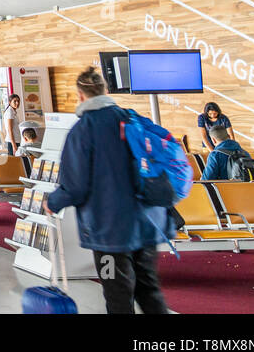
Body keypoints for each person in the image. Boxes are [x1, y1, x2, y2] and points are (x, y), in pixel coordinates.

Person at [44, 66, 169, 315]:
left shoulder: (82, 131)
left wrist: (53, 202)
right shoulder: (131, 118)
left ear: (81, 95)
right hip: (147, 223)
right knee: (149, 291)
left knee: (117, 294)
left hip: (110, 234)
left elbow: (75, 187)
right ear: (104, 90)